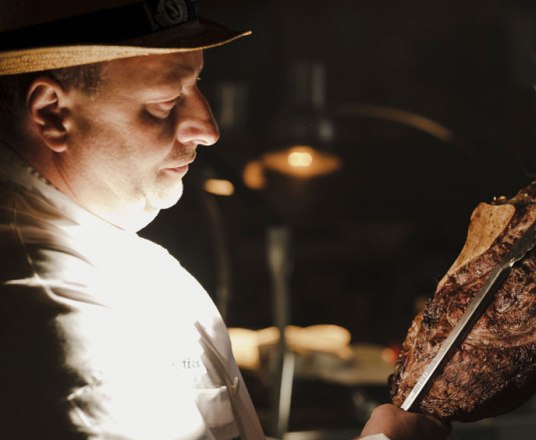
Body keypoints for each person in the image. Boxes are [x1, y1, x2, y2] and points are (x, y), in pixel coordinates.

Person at [0, 1, 451, 439]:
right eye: (166, 100)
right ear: (52, 113)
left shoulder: (100, 249)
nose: (207, 127)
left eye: (196, 86)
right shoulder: (45, 305)